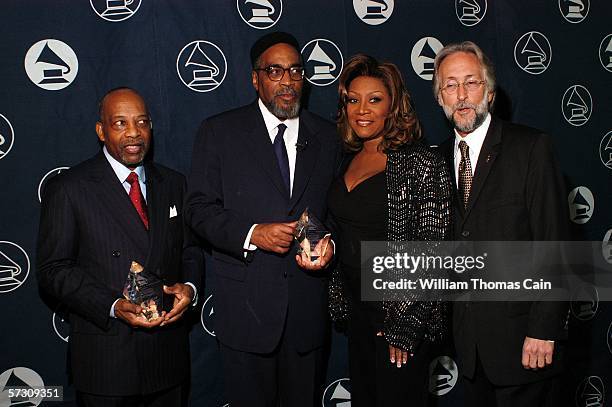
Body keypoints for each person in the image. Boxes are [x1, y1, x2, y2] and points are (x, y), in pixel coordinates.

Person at [185, 32, 338, 407]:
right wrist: (253, 234)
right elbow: (197, 209)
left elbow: (338, 212)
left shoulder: (329, 136)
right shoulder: (219, 132)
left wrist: (331, 243)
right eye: (275, 71)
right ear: (255, 79)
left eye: (295, 71)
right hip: (246, 313)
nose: (287, 81)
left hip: (306, 314)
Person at [37, 87, 203, 407]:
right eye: (120, 123)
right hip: (106, 362)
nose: (134, 133)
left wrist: (191, 288)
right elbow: (53, 269)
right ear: (101, 131)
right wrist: (113, 305)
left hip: (167, 358)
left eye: (141, 122)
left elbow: (191, 249)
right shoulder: (70, 187)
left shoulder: (173, 183)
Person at [434, 41, 569, 406]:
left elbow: (553, 244)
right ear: (439, 97)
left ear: (490, 92)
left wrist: (543, 329)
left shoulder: (530, 148)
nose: (461, 95)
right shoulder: (436, 160)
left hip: (525, 344)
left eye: (471, 82)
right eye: (450, 85)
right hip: (470, 349)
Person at [327, 54, 452, 406]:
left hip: (399, 315)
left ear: (393, 106)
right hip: (356, 313)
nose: (362, 110)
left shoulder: (421, 163)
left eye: (374, 100)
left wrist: (407, 323)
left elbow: (434, 253)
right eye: (353, 100)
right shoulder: (345, 158)